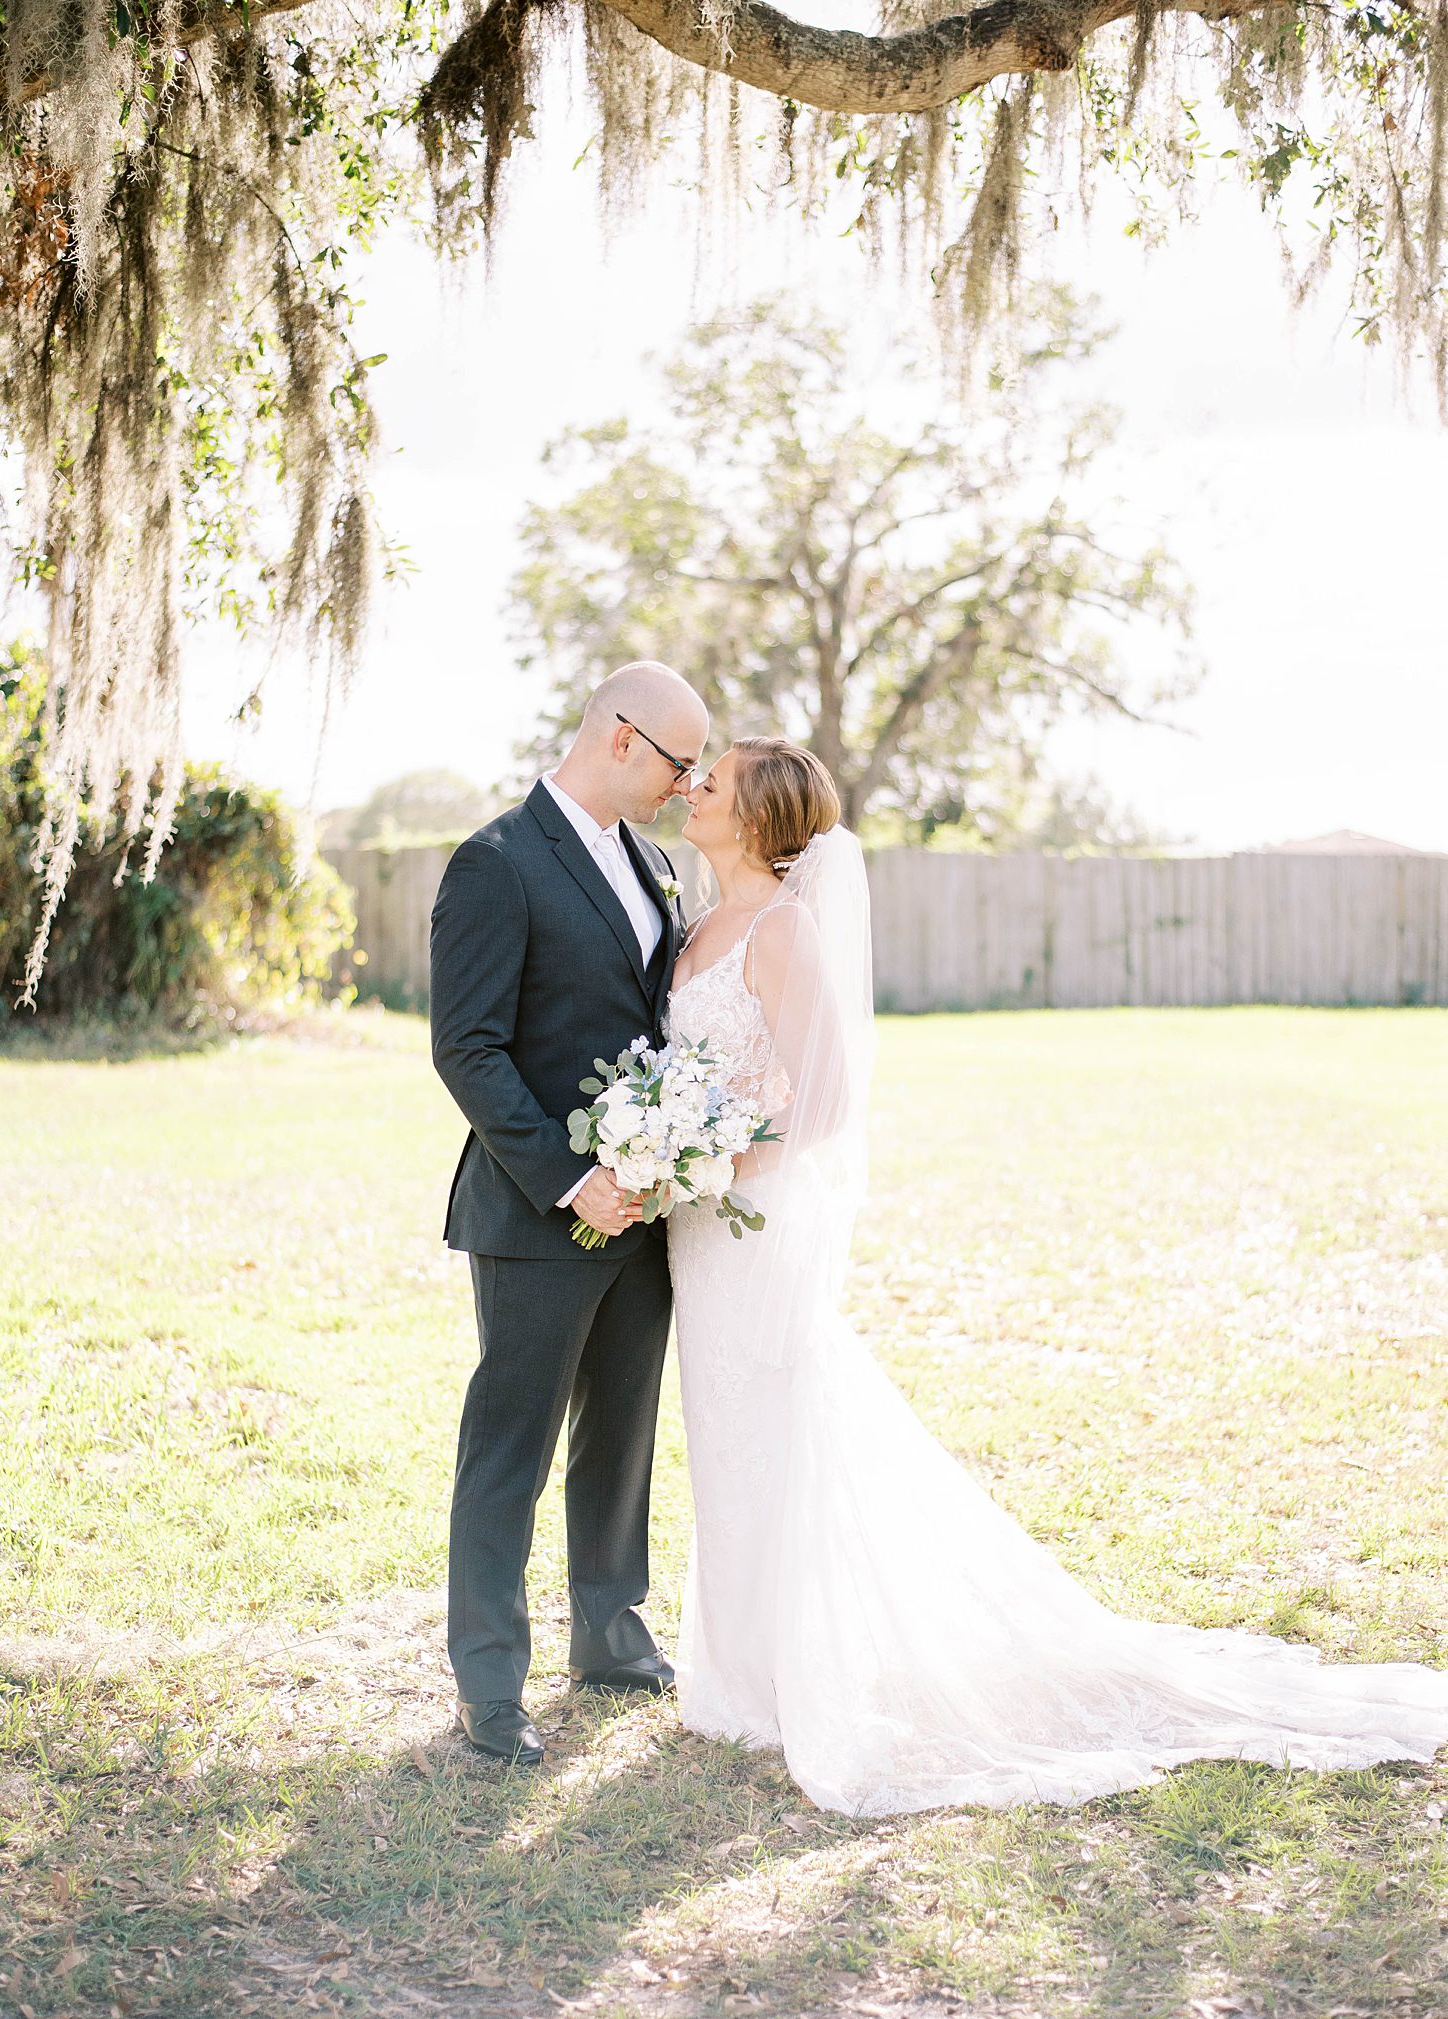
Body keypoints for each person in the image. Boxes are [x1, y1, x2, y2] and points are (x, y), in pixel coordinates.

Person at [665, 736, 1448, 1815]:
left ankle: (788, 1673)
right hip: (696, 1232)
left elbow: (829, 1100)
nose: (693, 785)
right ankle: (737, 1665)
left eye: (715, 778)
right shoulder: (695, 926)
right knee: (723, 1425)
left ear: (758, 818)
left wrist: (717, 1153)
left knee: (777, 1418)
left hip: (754, 1220)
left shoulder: (787, 929)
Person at [429, 662, 708, 1765]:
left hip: (644, 1210)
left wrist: (662, 1158)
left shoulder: (655, 866)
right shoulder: (496, 862)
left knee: (622, 1433)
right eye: (681, 762)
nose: (690, 786)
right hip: (538, 1211)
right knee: (512, 1447)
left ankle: (609, 1628)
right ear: (624, 739)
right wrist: (569, 1175)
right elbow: (468, 1048)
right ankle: (490, 1683)